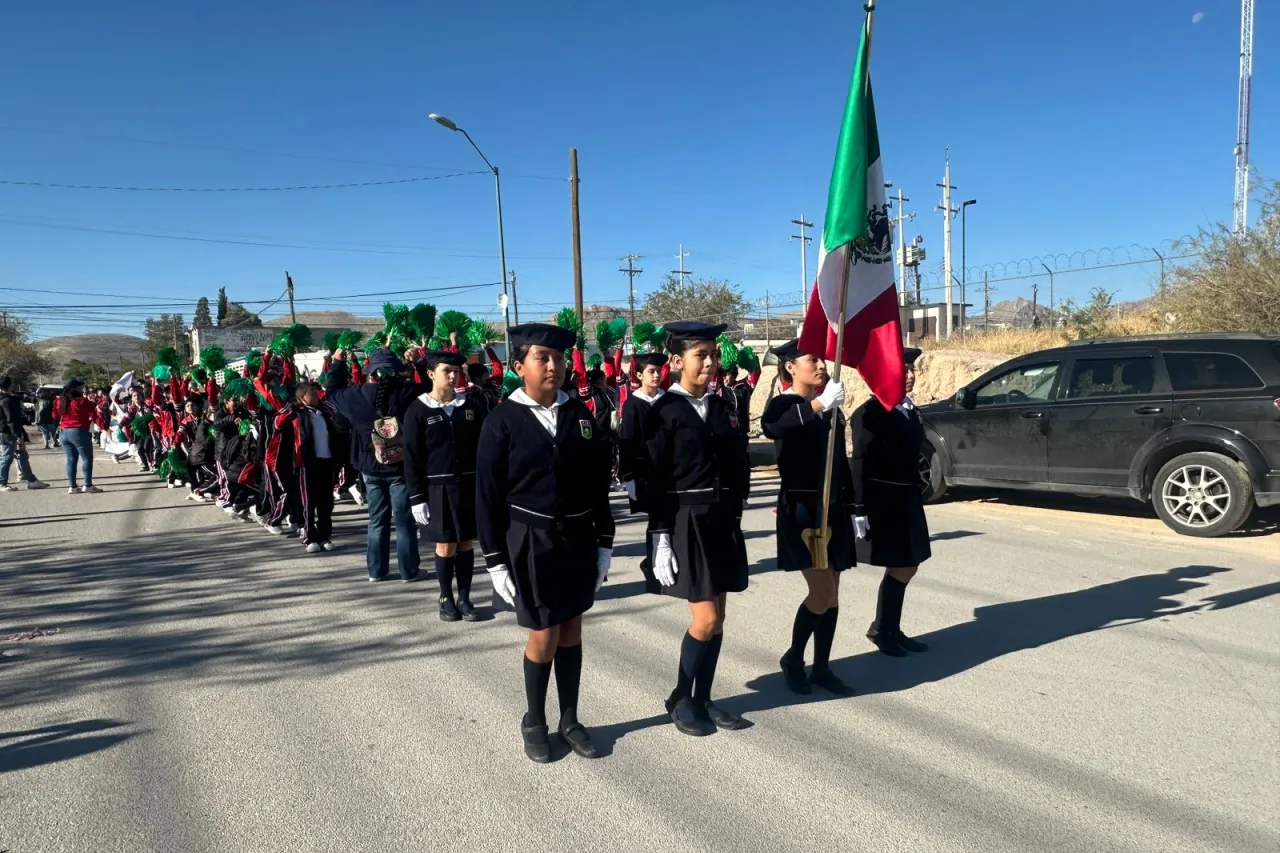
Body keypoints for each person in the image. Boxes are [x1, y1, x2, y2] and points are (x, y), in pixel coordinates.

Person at [475, 323, 614, 763]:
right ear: (519, 367)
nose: (552, 365)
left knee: (572, 628)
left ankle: (569, 718)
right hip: (530, 541)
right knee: (544, 633)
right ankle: (534, 718)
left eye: (557, 357)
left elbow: (597, 485)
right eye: (541, 358)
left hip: (577, 538)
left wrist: (605, 542)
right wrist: (495, 560)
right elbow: (487, 496)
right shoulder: (502, 421)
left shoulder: (579, 415)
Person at [642, 321, 751, 737]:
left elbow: (737, 463)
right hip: (686, 519)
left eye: (713, 354)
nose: (710, 362)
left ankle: (704, 697)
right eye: (700, 355)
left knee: (719, 617)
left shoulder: (723, 406)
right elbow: (655, 481)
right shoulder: (664, 412)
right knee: (703, 618)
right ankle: (681, 697)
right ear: (676, 362)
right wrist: (661, 538)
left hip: (721, 518)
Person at [760, 340, 857, 696]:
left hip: (832, 508)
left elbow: (839, 460)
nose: (820, 365)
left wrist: (856, 507)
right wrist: (818, 404)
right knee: (822, 591)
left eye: (821, 358)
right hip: (802, 509)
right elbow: (774, 427)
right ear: (790, 367)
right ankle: (793, 658)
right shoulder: (785, 404)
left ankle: (822, 667)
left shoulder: (828, 407)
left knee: (833, 595)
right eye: (811, 359)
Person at [851, 346, 931, 657]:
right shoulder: (870, 413)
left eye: (912, 370)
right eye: (903, 370)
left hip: (907, 496)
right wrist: (859, 509)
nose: (910, 376)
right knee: (901, 563)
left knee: (909, 564)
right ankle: (883, 629)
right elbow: (859, 462)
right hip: (884, 500)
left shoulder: (909, 409)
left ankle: (888, 627)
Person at [403, 350, 489, 621]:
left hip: (467, 486)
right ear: (431, 374)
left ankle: (464, 597)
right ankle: (445, 597)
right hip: (437, 489)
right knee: (446, 545)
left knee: (465, 543)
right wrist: (417, 497)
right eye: (446, 372)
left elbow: (484, 447)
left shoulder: (470, 407)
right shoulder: (418, 410)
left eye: (456, 371)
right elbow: (412, 457)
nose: (453, 376)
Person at [327, 347, 423, 582]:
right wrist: (419, 363)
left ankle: (376, 571)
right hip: (400, 466)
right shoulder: (407, 393)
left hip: (369, 466)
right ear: (396, 372)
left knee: (376, 520)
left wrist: (338, 362)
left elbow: (331, 393)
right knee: (403, 521)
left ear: (370, 372)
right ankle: (409, 571)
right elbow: (431, 389)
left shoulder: (355, 396)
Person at [273, 379, 340, 554]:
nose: (317, 395)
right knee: (309, 502)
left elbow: (336, 413)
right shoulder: (297, 414)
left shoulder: (323, 411)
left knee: (326, 502)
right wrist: (290, 407)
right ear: (302, 397)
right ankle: (309, 537)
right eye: (312, 393)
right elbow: (277, 424)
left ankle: (325, 536)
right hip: (306, 463)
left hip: (326, 461)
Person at [53, 379, 107, 494]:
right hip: (79, 431)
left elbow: (54, 415)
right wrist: (105, 427)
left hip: (64, 432)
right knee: (87, 458)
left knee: (71, 460)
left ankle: (72, 487)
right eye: (80, 387)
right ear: (76, 389)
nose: (82, 389)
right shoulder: (82, 401)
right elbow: (94, 415)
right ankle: (87, 485)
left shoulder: (59, 401)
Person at [0, 377, 49, 492]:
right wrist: (18, 436)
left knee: (22, 456)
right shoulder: (8, 400)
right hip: (8, 432)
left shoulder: (6, 399)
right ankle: (2, 482)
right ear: (9, 385)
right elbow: (12, 419)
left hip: (5, 431)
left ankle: (31, 480)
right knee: (7, 457)